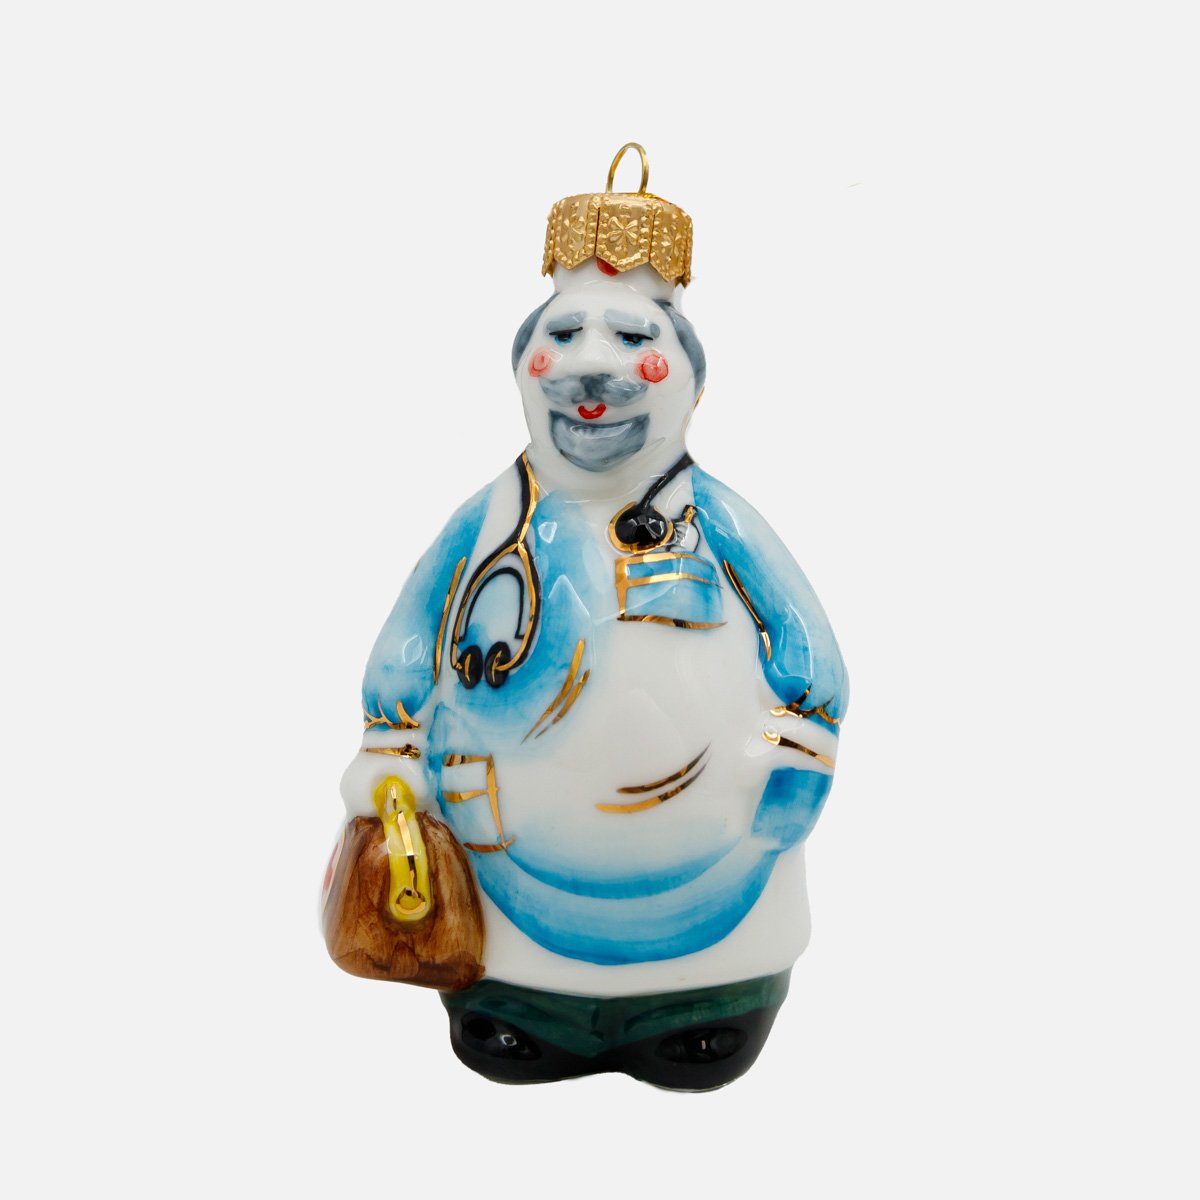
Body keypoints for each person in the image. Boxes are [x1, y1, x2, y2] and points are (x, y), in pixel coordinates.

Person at [335, 148, 848, 1088]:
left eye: (630, 336)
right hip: (504, 868)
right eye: (564, 334)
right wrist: (391, 741)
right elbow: (412, 630)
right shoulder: (492, 520)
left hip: (722, 866)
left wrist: (797, 760)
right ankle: (527, 1007)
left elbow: (807, 646)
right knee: (513, 1007)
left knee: (707, 1012)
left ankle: (702, 1007)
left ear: (688, 376)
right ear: (524, 365)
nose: (591, 367)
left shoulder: (717, 520)